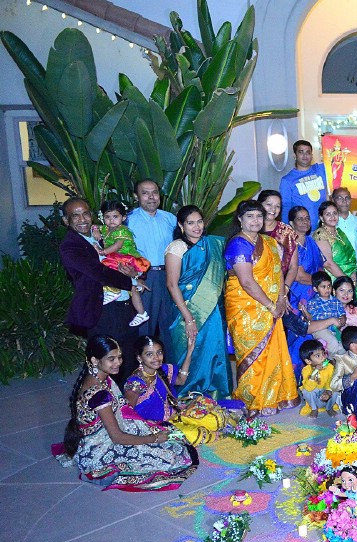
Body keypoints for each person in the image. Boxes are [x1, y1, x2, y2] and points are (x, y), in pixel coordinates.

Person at [60, 336, 197, 491]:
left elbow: (123, 410)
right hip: (100, 446)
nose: (118, 363)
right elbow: (117, 437)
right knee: (168, 458)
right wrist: (153, 438)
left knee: (174, 438)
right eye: (111, 359)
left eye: (119, 357)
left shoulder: (102, 379)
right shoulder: (99, 393)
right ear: (94, 360)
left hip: (110, 429)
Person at [224, 200, 299, 415]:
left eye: (259, 216)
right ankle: (252, 399)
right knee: (252, 354)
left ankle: (273, 396)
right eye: (250, 216)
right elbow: (246, 282)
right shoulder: (238, 244)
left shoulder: (268, 242)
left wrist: (282, 298)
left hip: (272, 304)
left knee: (272, 351)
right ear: (240, 219)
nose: (256, 221)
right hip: (246, 306)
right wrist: (271, 305)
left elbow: (278, 275)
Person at [164, 205, 231, 399]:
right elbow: (171, 284)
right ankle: (189, 395)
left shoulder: (213, 245)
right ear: (181, 225)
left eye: (199, 221)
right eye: (190, 223)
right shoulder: (176, 247)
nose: (196, 227)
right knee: (190, 350)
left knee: (214, 349)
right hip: (186, 309)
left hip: (214, 311)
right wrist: (189, 318)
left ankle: (217, 394)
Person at [58, 198, 140, 355]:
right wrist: (133, 281)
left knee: (129, 355)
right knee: (107, 360)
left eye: (85, 214)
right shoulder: (70, 246)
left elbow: (124, 257)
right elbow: (99, 273)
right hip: (102, 309)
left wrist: (134, 273)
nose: (82, 219)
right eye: (75, 215)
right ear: (66, 220)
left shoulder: (103, 235)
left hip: (125, 304)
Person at [125, 336, 234, 443]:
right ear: (139, 357)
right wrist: (146, 429)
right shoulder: (135, 383)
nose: (156, 358)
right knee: (193, 435)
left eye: (159, 352)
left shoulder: (162, 370)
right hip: (155, 426)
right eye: (150, 354)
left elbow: (181, 380)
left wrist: (190, 351)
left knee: (215, 420)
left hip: (175, 415)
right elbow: (127, 413)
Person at [127, 179, 177, 338]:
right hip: (144, 277)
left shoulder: (170, 219)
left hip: (170, 275)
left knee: (170, 326)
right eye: (145, 193)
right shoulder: (128, 221)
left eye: (155, 192)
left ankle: (170, 363)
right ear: (136, 196)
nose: (151, 197)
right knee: (144, 327)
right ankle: (141, 362)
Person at [93, 201, 150, 327]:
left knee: (106, 266)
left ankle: (113, 290)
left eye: (115, 216)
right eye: (107, 217)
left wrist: (103, 252)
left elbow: (117, 245)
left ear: (123, 218)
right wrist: (95, 229)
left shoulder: (122, 230)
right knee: (133, 288)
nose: (111, 220)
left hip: (127, 258)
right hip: (119, 259)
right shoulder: (106, 228)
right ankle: (141, 313)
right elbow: (94, 226)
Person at [280, 140, 329, 231]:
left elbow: (337, 159)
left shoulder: (320, 169)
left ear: (312, 155)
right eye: (301, 152)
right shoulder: (287, 180)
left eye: (308, 152)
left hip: (324, 228)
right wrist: (287, 231)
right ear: (295, 155)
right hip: (302, 230)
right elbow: (285, 207)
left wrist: (328, 139)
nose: (305, 155)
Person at [258, 189, 300, 293]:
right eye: (269, 204)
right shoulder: (252, 230)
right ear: (259, 205)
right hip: (255, 289)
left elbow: (293, 267)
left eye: (277, 206)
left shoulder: (286, 231)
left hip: (281, 290)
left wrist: (284, 290)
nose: (273, 209)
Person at [288, 206, 325, 308]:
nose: (305, 221)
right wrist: (322, 283)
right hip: (297, 296)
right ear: (291, 223)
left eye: (307, 218)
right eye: (300, 219)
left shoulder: (311, 241)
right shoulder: (290, 244)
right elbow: (299, 276)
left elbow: (321, 266)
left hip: (317, 293)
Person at [314, 200, 357, 285]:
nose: (332, 217)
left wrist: (354, 272)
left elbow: (350, 256)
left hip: (351, 278)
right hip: (335, 281)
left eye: (335, 213)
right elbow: (328, 264)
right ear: (321, 218)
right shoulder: (320, 234)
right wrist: (346, 281)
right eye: (328, 214)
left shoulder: (339, 232)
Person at [304, 271, 347, 355]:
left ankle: (340, 363)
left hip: (334, 329)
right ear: (315, 289)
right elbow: (310, 319)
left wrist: (343, 318)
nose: (327, 289)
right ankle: (330, 361)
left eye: (329, 286)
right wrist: (304, 311)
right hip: (320, 329)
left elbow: (342, 313)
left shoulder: (336, 301)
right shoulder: (313, 302)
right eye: (323, 287)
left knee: (342, 347)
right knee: (332, 342)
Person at [298, 339, 338, 418]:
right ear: (309, 361)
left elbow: (331, 381)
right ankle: (314, 409)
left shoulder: (330, 367)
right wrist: (316, 371)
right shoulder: (306, 370)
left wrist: (328, 391)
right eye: (318, 355)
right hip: (315, 397)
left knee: (337, 387)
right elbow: (308, 388)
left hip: (327, 395)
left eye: (323, 353)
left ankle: (329, 407)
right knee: (305, 391)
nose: (323, 357)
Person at [329, 187, 357, 257]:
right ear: (332, 200)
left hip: (354, 266)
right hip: (333, 266)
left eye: (347, 198)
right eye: (339, 198)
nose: (344, 201)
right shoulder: (328, 222)